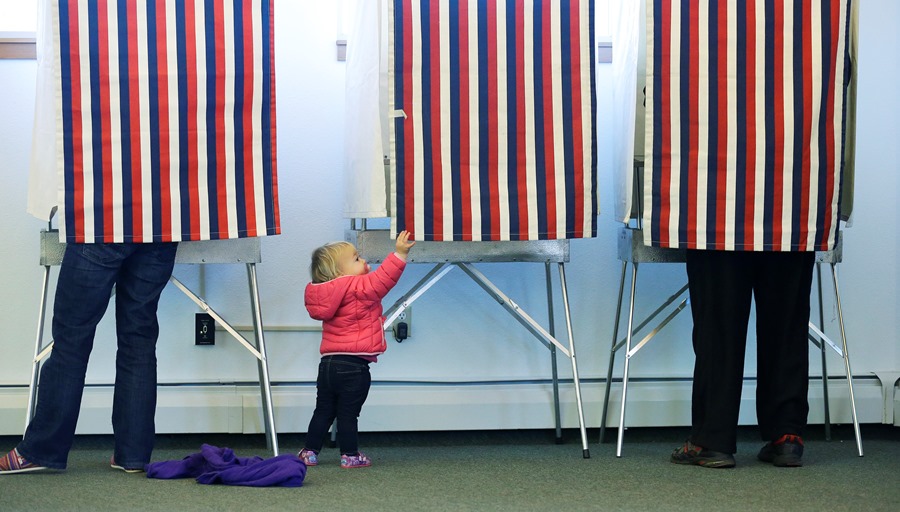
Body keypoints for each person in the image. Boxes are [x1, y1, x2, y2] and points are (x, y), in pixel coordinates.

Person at [0, 242, 179, 475]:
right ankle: (133, 455)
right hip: (160, 227)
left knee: (71, 341)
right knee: (139, 340)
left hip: (103, 223)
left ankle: (42, 451)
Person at [670, 250, 815, 468]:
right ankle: (786, 436)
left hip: (719, 220)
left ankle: (712, 440)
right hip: (788, 219)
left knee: (717, 322)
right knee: (787, 321)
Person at [297, 230, 415, 469]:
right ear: (341, 272)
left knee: (323, 411)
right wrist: (399, 254)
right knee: (348, 414)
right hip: (354, 366)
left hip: (328, 364)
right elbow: (384, 279)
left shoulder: (324, 293)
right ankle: (350, 455)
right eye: (357, 259)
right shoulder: (356, 286)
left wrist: (362, 268)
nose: (364, 262)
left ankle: (309, 451)